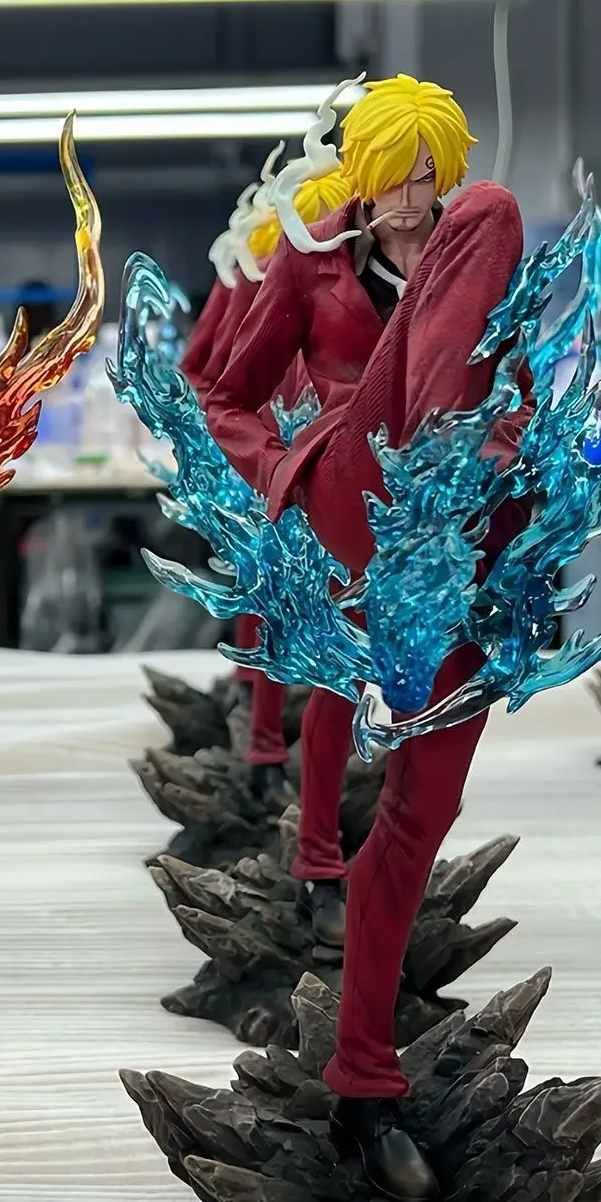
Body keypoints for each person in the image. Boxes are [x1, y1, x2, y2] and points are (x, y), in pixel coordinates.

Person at [208, 75, 529, 1202]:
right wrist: (285, 478)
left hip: (453, 539)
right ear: (359, 176)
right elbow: (222, 394)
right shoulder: (315, 262)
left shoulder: (483, 270)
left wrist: (513, 462)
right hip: (354, 486)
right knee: (499, 211)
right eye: (392, 176)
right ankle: (309, 854)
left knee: (420, 812)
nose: (410, 198)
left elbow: (524, 392)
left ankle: (363, 1076)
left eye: (426, 175)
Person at [196, 169, 354, 807]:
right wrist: (258, 455)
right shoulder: (271, 270)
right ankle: (264, 750)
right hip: (280, 467)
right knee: (274, 596)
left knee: (343, 616)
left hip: (349, 466)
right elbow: (214, 377)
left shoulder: (377, 272)